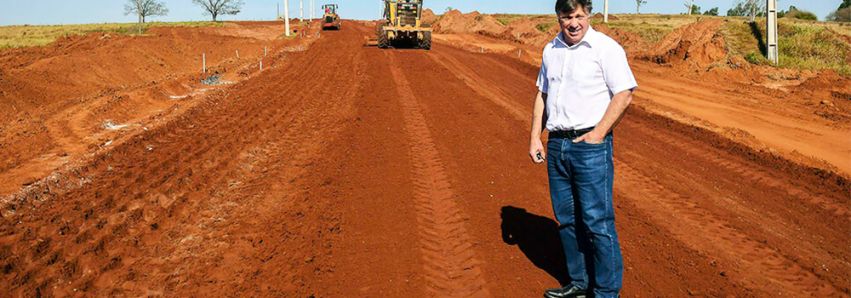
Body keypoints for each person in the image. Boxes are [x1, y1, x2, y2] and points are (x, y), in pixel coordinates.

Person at [528, 0, 637, 297]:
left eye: (579, 16)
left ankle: (605, 292)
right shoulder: (551, 50)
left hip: (590, 147)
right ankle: (579, 282)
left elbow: (624, 94)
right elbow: (542, 94)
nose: (573, 23)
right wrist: (536, 136)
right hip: (557, 145)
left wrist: (598, 134)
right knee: (567, 219)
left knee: (597, 222)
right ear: (558, 18)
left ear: (588, 15)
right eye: (567, 17)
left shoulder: (605, 48)